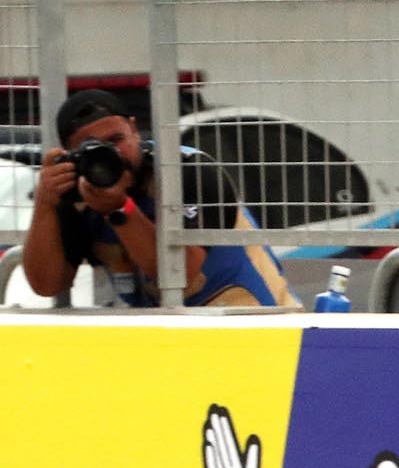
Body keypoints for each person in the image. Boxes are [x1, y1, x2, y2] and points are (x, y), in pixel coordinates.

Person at [21, 91, 292, 308]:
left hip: (256, 323)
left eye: (116, 139)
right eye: (92, 149)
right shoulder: (77, 196)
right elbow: (46, 284)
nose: (111, 154)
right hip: (165, 334)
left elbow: (179, 273)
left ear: (134, 129)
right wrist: (45, 202)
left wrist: (119, 210)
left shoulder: (184, 170)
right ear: (71, 154)